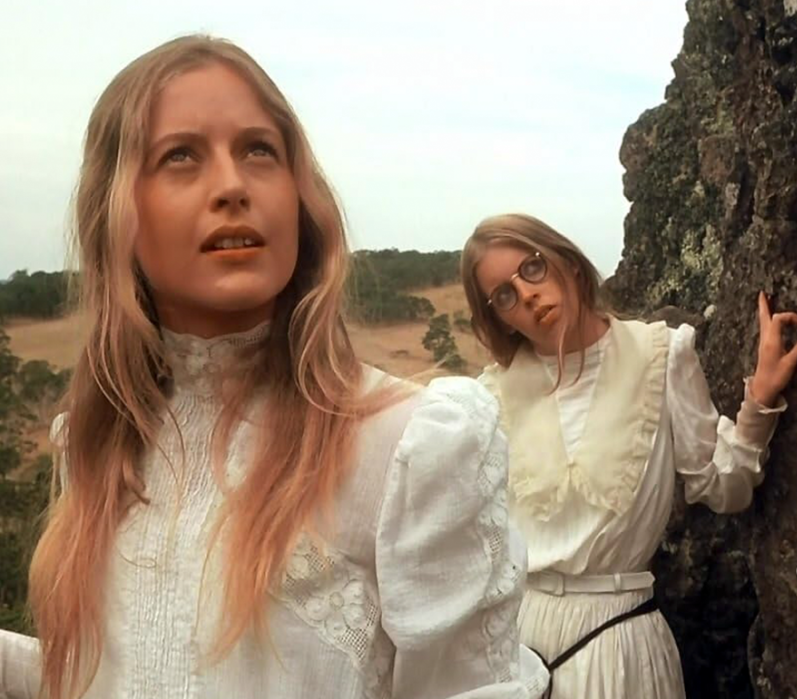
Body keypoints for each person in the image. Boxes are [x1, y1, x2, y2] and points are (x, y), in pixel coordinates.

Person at [0, 35, 549, 699]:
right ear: (119, 212)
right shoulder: (92, 447)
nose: (231, 185)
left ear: (298, 196)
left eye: (259, 150)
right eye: (181, 156)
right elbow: (103, 676)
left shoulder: (410, 446)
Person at [460, 213, 797, 698]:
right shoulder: (488, 397)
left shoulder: (661, 355)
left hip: (619, 638)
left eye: (532, 268)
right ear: (500, 317)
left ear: (566, 261)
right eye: (503, 295)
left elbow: (722, 486)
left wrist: (760, 403)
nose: (526, 294)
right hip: (516, 645)